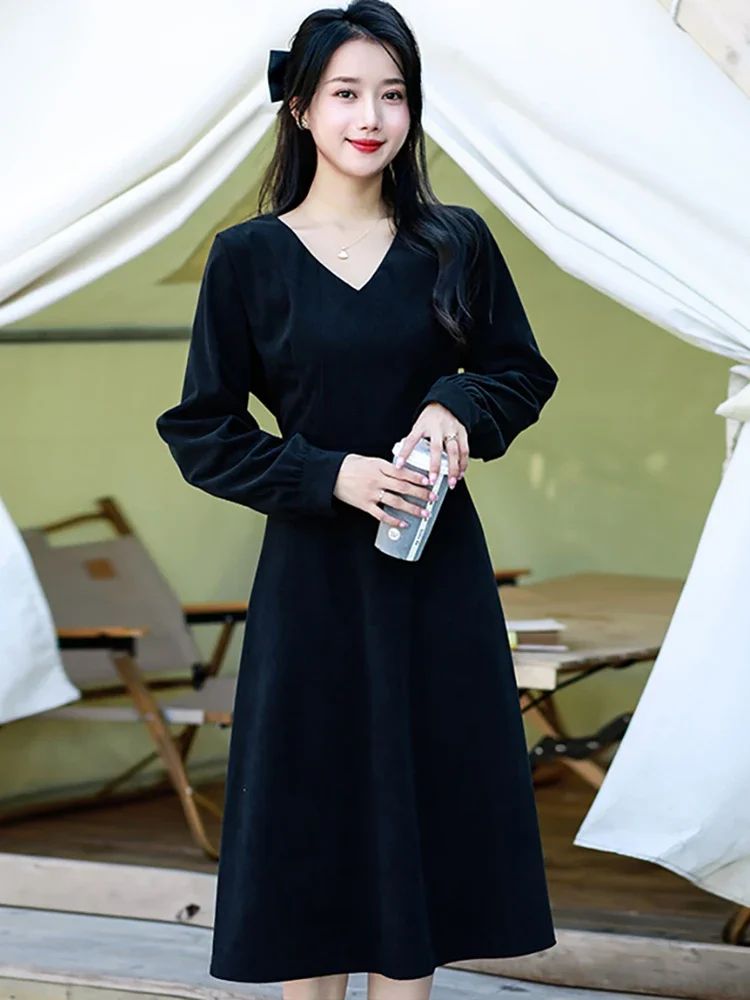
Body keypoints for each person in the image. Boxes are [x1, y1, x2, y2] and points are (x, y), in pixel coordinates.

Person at [156, 2, 559, 998]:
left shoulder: (455, 242)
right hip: (313, 584)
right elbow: (201, 429)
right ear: (300, 107)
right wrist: (328, 473)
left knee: (420, 806)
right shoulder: (246, 257)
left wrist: (456, 404)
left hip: (434, 577)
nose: (370, 117)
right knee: (314, 811)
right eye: (345, 93)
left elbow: (519, 371)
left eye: (392, 94)